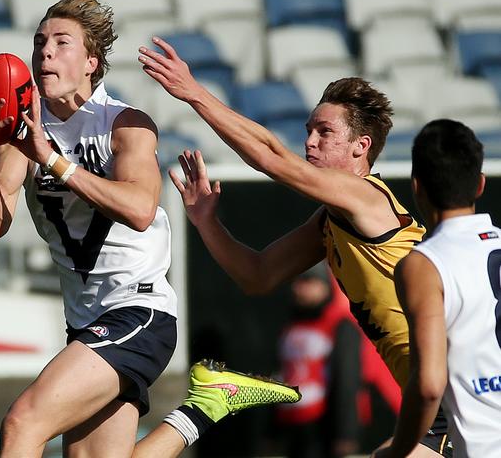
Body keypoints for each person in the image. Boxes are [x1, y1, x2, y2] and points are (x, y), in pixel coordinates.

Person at [0, 0, 300, 458]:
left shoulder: (126, 125)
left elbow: (139, 209)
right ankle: (203, 408)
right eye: (39, 43)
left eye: (61, 42)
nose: (44, 53)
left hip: (139, 313)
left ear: (92, 62)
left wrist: (53, 162)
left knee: (23, 423)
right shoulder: (22, 133)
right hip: (84, 324)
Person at [137, 36, 452, 457]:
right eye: (308, 131)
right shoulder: (331, 220)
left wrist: (194, 94)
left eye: (325, 132)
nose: (310, 142)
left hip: (455, 384)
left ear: (362, 147)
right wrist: (207, 222)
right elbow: (258, 276)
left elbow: (273, 158)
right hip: (437, 395)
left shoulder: (365, 196)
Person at [372, 119, 501, 458]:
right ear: (480, 185)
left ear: (417, 187)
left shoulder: (423, 264)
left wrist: (398, 450)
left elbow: (429, 385)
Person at [273, 263, 361, 458]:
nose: (298, 288)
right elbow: (277, 377)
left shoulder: (340, 325)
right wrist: (271, 431)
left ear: (324, 286)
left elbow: (347, 380)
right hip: (292, 427)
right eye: (296, 282)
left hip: (323, 429)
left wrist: (345, 433)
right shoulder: (290, 326)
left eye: (307, 282)